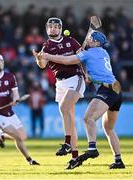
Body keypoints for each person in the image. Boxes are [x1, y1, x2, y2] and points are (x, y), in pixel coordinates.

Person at [36, 31, 125, 169]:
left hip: (107, 90)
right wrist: (89, 75)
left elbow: (67, 60)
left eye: (90, 39)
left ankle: (92, 148)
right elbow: (96, 69)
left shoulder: (88, 53)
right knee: (108, 128)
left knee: (88, 118)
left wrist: (47, 56)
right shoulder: (103, 52)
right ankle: (118, 160)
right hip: (117, 90)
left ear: (96, 43)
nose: (88, 40)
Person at [33, 17, 86, 169]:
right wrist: (39, 59)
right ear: (47, 29)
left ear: (61, 28)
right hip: (60, 83)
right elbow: (42, 65)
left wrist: (87, 73)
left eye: (56, 26)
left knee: (63, 108)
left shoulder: (72, 41)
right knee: (69, 117)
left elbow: (81, 58)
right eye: (51, 27)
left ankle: (67, 143)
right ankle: (75, 158)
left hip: (75, 78)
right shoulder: (46, 46)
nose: (53, 29)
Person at [0, 54, 40, 166]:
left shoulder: (10, 77)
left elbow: (15, 94)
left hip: (10, 112)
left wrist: (15, 100)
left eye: (0, 60)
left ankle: (0, 136)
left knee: (23, 137)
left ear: (3, 62)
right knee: (18, 137)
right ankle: (30, 160)